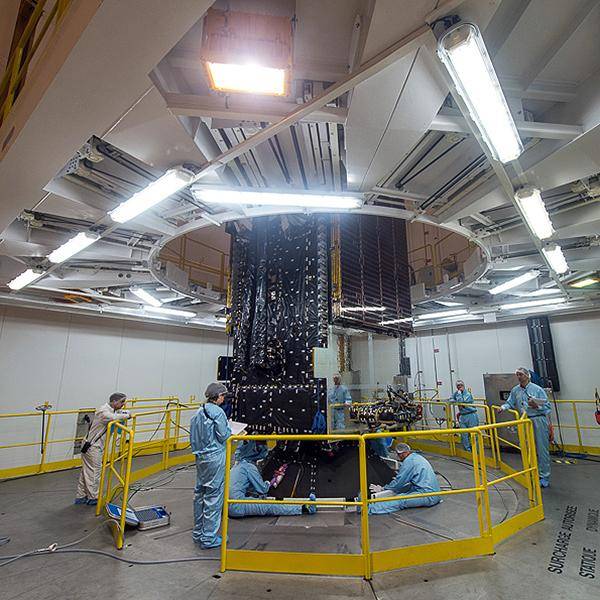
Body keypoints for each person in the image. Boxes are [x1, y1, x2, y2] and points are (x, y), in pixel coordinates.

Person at [190, 382, 232, 549]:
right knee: (214, 496)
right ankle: (208, 538)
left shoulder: (198, 412)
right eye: (223, 396)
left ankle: (198, 532)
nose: (224, 399)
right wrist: (232, 431)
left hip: (201, 458)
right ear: (219, 396)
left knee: (200, 493)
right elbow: (223, 436)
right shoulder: (218, 413)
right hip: (215, 458)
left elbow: (193, 437)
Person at [229, 440, 317, 517]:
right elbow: (263, 489)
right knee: (270, 506)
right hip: (237, 506)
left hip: (226, 506)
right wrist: (269, 482)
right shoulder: (249, 467)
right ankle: (303, 508)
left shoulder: (237, 466)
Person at [498, 367, 552, 488]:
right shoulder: (515, 390)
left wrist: (536, 406)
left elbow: (548, 407)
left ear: (527, 376)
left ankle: (544, 476)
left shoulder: (537, 389)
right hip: (524, 421)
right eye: (517, 374)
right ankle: (532, 471)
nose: (519, 377)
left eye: (521, 374)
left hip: (538, 419)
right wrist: (503, 408)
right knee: (528, 448)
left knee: (541, 448)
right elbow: (510, 402)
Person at [75, 392, 130, 506]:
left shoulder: (110, 410)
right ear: (114, 401)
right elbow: (112, 417)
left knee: (86, 471)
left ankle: (81, 496)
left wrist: (124, 413)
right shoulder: (103, 412)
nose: (123, 405)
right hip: (93, 447)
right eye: (121, 402)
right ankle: (93, 498)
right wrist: (127, 415)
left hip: (90, 445)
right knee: (94, 472)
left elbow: (117, 414)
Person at [368, 443, 441, 514]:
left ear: (404, 453)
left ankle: (370, 508)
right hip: (435, 493)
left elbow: (399, 482)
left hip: (428, 496)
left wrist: (383, 489)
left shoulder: (409, 462)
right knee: (405, 488)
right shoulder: (416, 457)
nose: (398, 457)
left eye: (399, 455)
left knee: (401, 499)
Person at [449, 380, 479, 452]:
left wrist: (458, 397)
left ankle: (475, 451)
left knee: (473, 434)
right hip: (462, 416)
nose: (459, 387)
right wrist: (456, 399)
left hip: (471, 415)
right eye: (458, 386)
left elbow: (461, 401)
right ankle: (467, 451)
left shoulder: (467, 394)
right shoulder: (457, 393)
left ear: (463, 385)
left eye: (460, 385)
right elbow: (450, 399)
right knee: (464, 434)